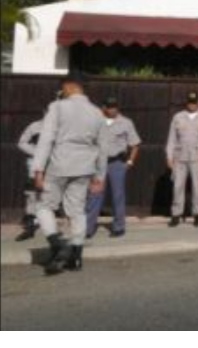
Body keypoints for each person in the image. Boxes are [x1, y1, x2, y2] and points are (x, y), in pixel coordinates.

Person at [32, 72, 107, 275]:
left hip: (60, 163)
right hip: (85, 166)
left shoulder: (57, 107)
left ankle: (57, 245)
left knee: (43, 206)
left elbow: (46, 139)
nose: (62, 92)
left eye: (62, 88)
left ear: (69, 86)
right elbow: (103, 147)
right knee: (77, 211)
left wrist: (38, 169)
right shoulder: (97, 112)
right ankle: (76, 257)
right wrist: (100, 176)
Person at [85, 96, 141, 239]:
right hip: (99, 163)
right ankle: (88, 228)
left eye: (115, 107)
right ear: (104, 108)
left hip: (117, 162)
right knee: (95, 194)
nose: (113, 109)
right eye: (110, 107)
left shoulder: (126, 122)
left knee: (118, 195)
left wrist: (130, 162)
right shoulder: (96, 122)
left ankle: (118, 227)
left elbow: (135, 144)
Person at [166, 91, 198, 227]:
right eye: (190, 102)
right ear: (186, 102)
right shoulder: (178, 117)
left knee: (197, 187)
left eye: (194, 102)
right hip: (180, 157)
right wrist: (169, 157)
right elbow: (171, 139)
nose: (192, 105)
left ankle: (197, 215)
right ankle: (176, 214)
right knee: (177, 186)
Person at [15, 118, 44, 241]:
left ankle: (44, 222)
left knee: (51, 194)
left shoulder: (63, 125)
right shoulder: (35, 126)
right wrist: (37, 152)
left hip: (56, 164)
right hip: (35, 163)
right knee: (32, 193)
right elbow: (22, 143)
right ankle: (30, 226)